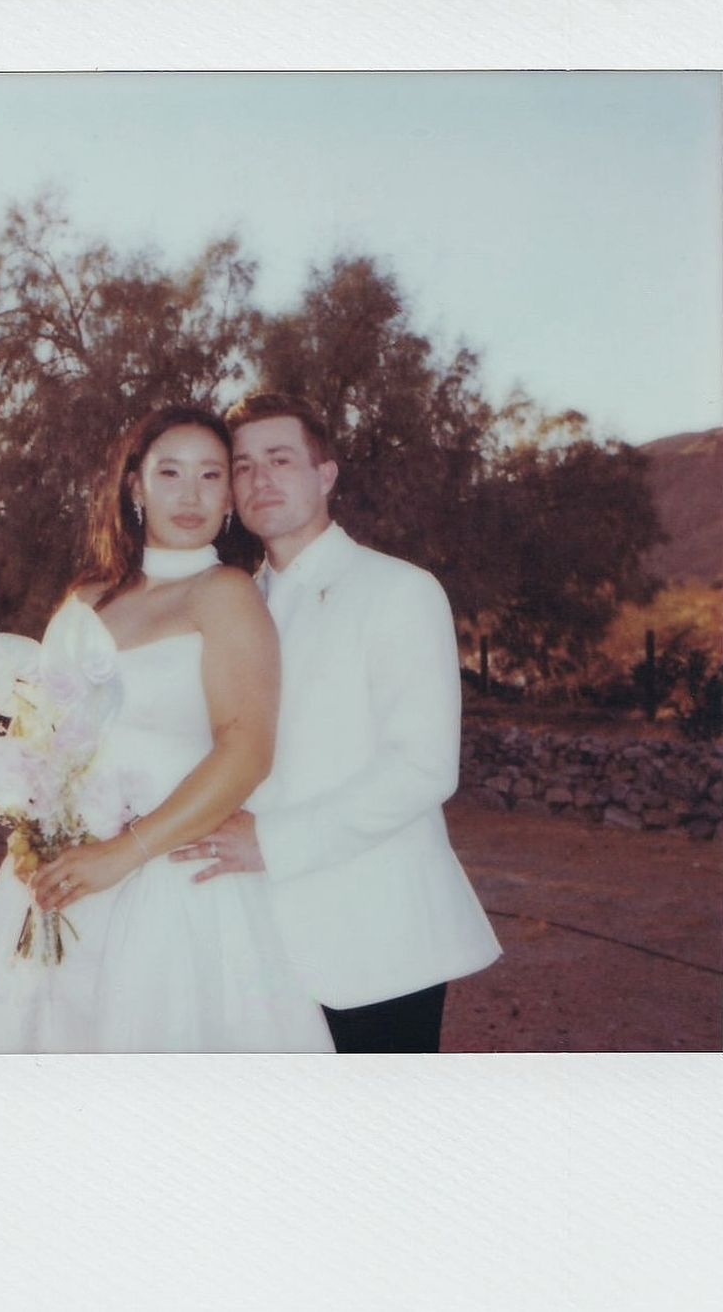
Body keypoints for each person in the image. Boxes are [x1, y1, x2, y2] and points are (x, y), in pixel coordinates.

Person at [0, 405, 333, 1053]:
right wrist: (33, 824)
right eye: (170, 472)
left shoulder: (226, 594)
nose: (190, 494)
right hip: (65, 872)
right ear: (135, 486)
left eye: (211, 475)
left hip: (170, 879)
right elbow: (45, 734)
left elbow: (247, 751)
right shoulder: (87, 598)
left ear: (229, 498)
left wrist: (122, 854)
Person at [173, 393, 501, 1053]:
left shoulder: (398, 591)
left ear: (326, 474)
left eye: (280, 459)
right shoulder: (228, 604)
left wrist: (273, 843)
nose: (260, 479)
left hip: (374, 939)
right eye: (243, 466)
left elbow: (423, 767)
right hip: (254, 940)